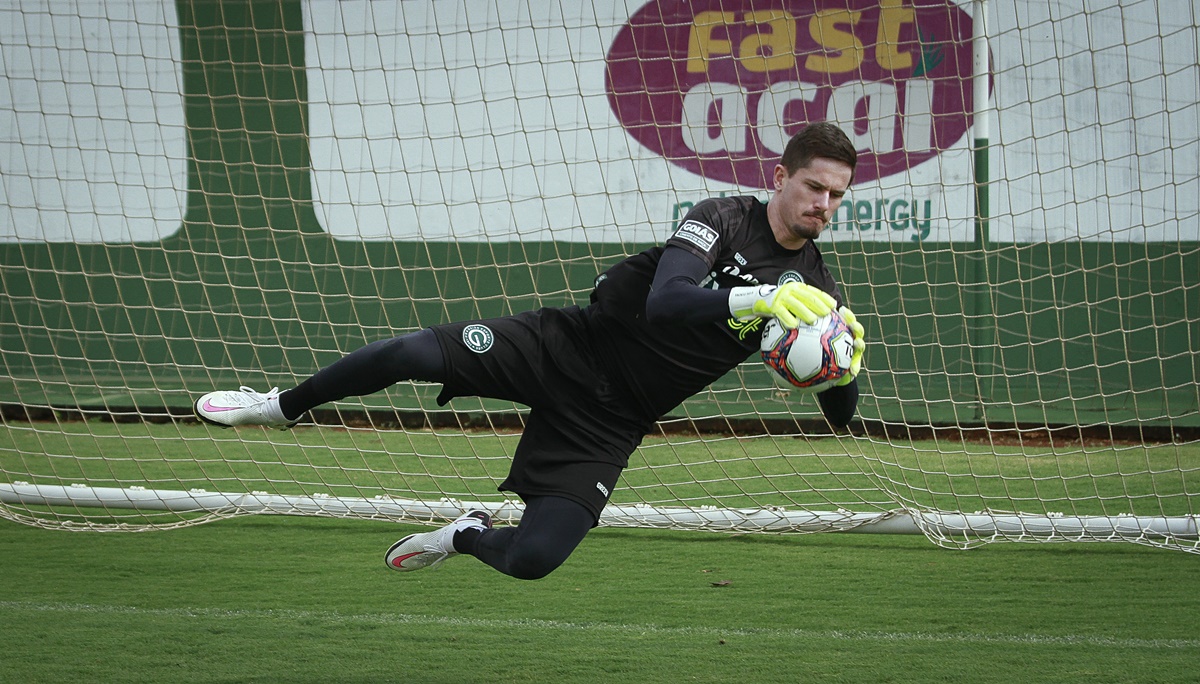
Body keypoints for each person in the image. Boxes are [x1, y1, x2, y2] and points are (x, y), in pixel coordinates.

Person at [194, 121, 866, 580]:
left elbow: (838, 417)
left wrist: (845, 369)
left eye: (837, 195)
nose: (825, 204)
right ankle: (280, 406)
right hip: (567, 346)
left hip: (612, 419)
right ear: (781, 176)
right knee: (408, 354)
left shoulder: (816, 292)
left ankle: (462, 534)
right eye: (815, 187)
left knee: (533, 560)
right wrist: (757, 299)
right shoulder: (721, 218)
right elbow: (666, 300)